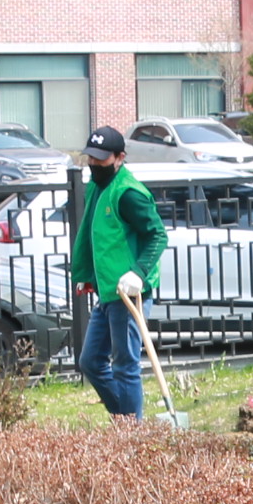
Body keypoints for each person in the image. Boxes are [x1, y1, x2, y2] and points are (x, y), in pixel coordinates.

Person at [69, 127, 167, 423]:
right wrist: (89, 275)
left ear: (120, 158)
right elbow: (96, 235)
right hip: (108, 290)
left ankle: (131, 431)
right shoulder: (98, 187)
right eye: (91, 159)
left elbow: (157, 236)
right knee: (90, 362)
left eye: (102, 159)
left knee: (125, 365)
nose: (94, 165)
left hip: (130, 292)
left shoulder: (128, 193)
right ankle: (127, 422)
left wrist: (138, 273)